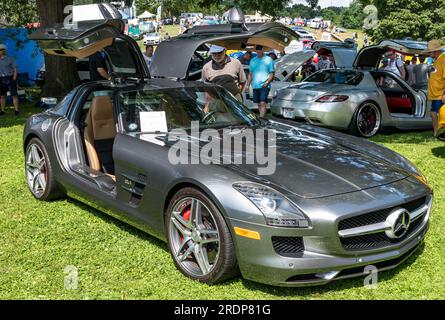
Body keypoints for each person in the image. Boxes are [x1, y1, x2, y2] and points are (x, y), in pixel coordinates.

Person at [423, 39, 445, 137]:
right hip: (434, 95)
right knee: (433, 114)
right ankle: (436, 133)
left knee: (440, 115)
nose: (429, 53)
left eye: (430, 51)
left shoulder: (443, 59)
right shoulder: (436, 61)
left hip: (441, 95)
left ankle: (441, 134)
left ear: (436, 51)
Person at [245, 45, 275, 117]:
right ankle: (263, 117)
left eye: (260, 49)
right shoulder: (253, 60)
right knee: (258, 103)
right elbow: (250, 74)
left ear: (263, 50)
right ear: (256, 50)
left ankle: (261, 118)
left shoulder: (268, 59)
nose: (259, 51)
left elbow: (272, 73)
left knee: (263, 103)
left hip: (265, 85)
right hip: (255, 85)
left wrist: (267, 82)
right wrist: (247, 85)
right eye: (257, 49)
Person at [0, 43, 19, 115]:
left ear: (5, 50)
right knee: (2, 95)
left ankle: (16, 110)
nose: (1, 51)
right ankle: (2, 110)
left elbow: (15, 69)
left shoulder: (10, 58)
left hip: (10, 78)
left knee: (14, 95)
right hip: (1, 79)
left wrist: (14, 79)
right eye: (0, 50)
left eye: (2, 49)